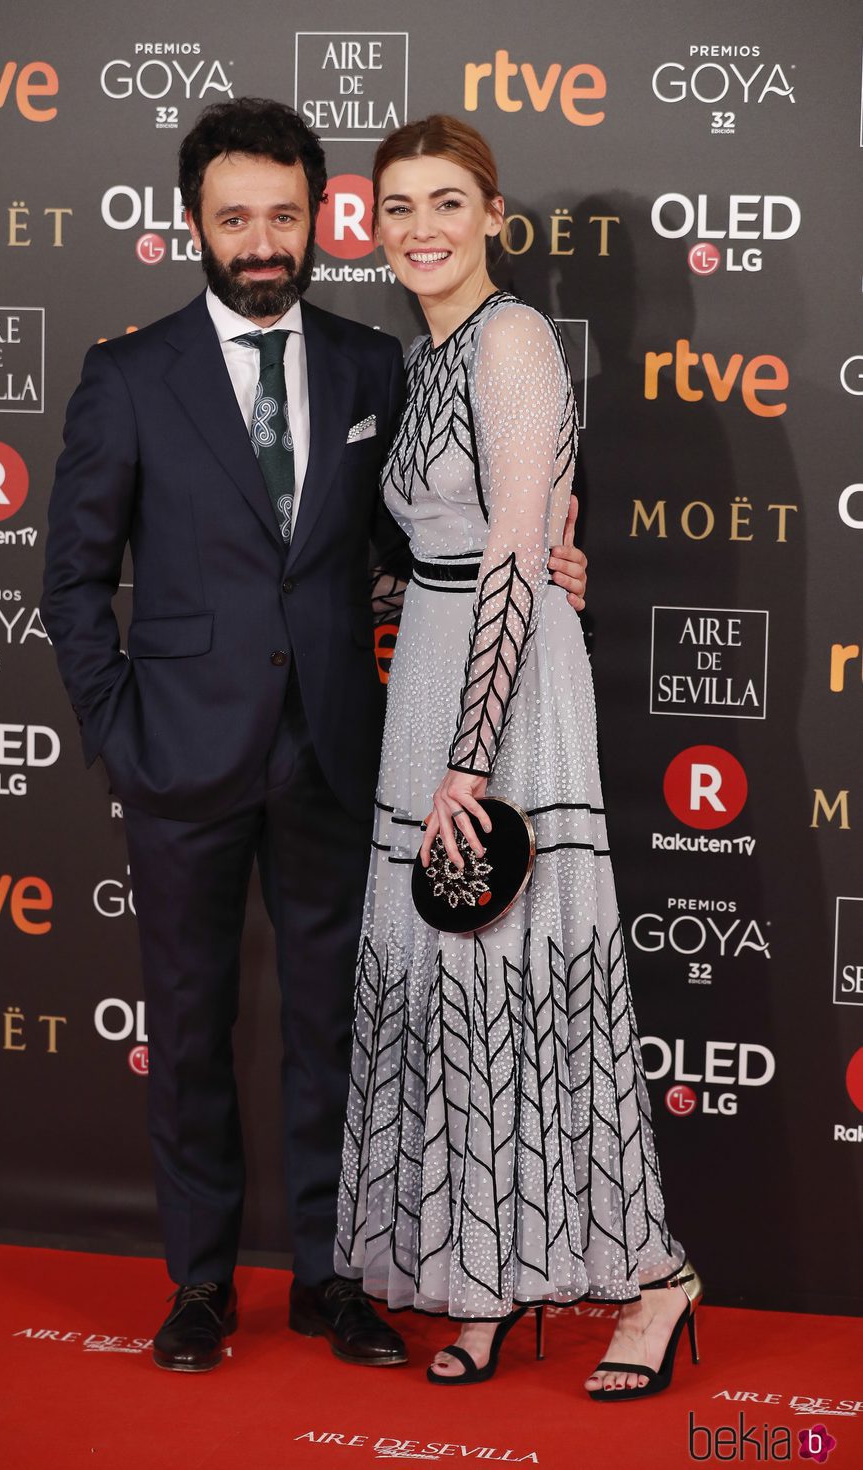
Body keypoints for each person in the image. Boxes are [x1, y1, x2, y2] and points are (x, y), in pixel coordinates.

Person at [41, 98, 589, 1376]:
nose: (261, 239)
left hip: (343, 748)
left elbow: (409, 545)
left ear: (316, 217)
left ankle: (336, 1279)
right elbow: (72, 582)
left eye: (284, 215)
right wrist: (120, 733)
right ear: (194, 225)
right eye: (234, 218)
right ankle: (198, 1286)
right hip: (178, 755)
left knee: (338, 1029)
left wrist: (552, 551)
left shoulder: (367, 365)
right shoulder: (126, 376)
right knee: (186, 1030)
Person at [335, 115, 700, 1402]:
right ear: (372, 227)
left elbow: (505, 556)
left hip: (496, 688)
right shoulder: (422, 354)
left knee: (520, 974)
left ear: (494, 216)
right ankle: (479, 1274)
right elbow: (441, 546)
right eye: (396, 208)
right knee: (449, 989)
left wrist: (466, 759)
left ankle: (651, 1280)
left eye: (446, 202)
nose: (420, 228)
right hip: (431, 668)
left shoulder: (510, 339)